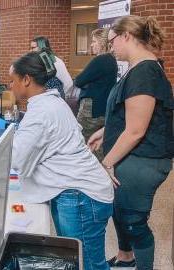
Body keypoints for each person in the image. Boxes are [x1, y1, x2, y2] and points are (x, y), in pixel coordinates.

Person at [10, 50, 114, 270]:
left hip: (79, 195)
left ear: (26, 80)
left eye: (13, 80)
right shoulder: (52, 102)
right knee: (81, 260)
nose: (10, 86)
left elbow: (17, 158)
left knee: (88, 264)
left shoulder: (42, 112)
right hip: (77, 190)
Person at [88, 15, 173, 269]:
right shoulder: (137, 68)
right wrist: (106, 130)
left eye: (112, 40)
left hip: (144, 160)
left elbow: (136, 130)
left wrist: (107, 162)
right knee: (119, 210)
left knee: (133, 221)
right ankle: (126, 257)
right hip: (134, 156)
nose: (110, 46)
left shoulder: (145, 71)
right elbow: (128, 113)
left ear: (127, 36)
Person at [75, 28, 118, 160]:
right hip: (103, 109)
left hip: (91, 109)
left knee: (83, 144)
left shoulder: (100, 60)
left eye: (94, 41)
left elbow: (79, 80)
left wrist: (86, 83)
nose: (91, 45)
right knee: (97, 146)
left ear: (102, 42)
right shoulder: (111, 60)